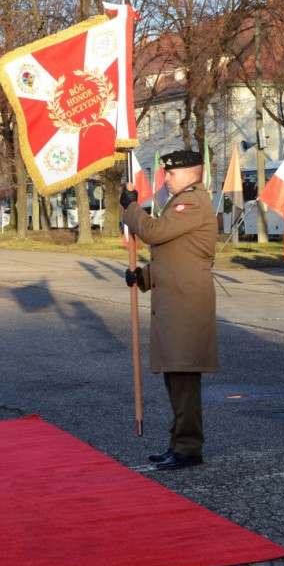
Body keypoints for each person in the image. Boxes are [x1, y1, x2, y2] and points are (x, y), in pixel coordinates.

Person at [120, 149, 218, 470]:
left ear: (190, 174)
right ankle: (178, 442)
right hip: (178, 301)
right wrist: (144, 276)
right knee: (175, 378)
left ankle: (189, 447)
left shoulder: (191, 201)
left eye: (170, 174)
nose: (166, 179)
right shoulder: (184, 201)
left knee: (184, 379)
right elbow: (178, 253)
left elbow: (153, 232)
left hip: (186, 305)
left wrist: (131, 207)